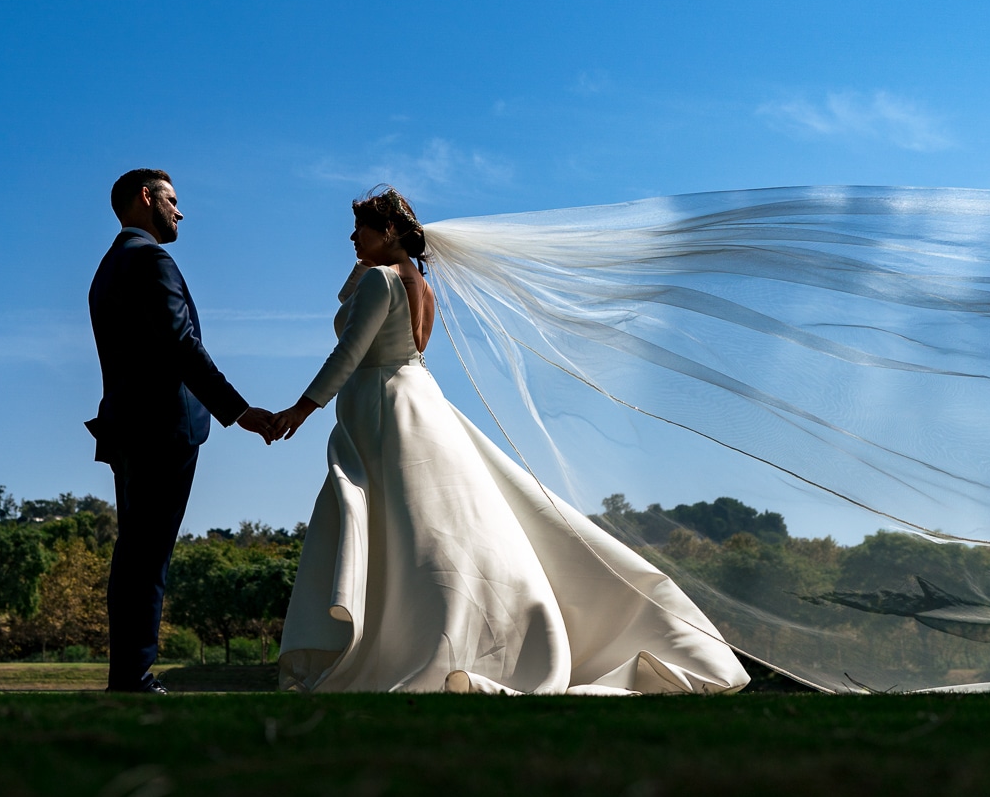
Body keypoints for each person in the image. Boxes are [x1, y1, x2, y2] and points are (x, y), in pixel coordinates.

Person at [268, 188, 749, 695]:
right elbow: (390, 332)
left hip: (383, 406)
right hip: (418, 397)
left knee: (397, 526)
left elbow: (350, 352)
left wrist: (301, 409)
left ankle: (405, 647)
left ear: (388, 230)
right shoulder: (419, 285)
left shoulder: (383, 281)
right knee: (424, 529)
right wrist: (370, 259)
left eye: (360, 228)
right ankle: (427, 639)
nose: (351, 238)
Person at [88, 169, 275, 694]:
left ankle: (127, 672)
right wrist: (238, 410)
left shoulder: (107, 268)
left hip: (127, 426)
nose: (180, 211)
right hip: (160, 427)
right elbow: (180, 344)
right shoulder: (150, 259)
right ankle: (134, 676)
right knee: (148, 557)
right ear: (146, 199)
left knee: (136, 553)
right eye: (172, 200)